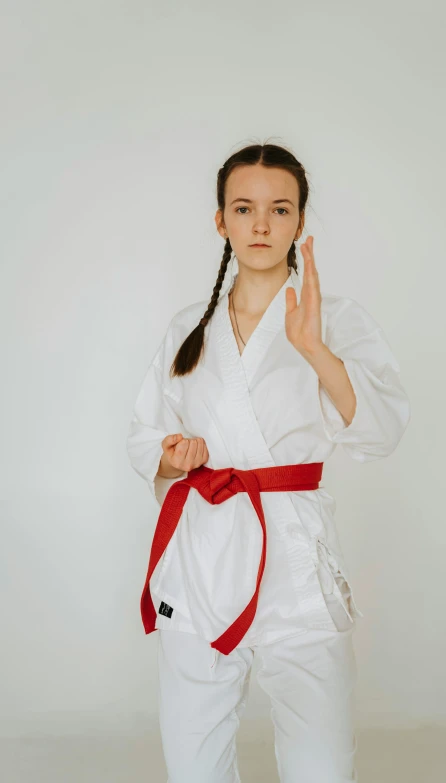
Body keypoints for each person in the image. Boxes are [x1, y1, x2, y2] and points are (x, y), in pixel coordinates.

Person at [126, 142, 411, 782]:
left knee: (323, 767)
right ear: (220, 220)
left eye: (279, 209)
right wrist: (173, 457)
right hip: (201, 555)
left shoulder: (335, 321)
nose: (262, 224)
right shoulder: (187, 328)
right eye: (244, 208)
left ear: (300, 222)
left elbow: (383, 429)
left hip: (294, 554)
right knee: (195, 765)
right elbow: (145, 434)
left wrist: (312, 348)